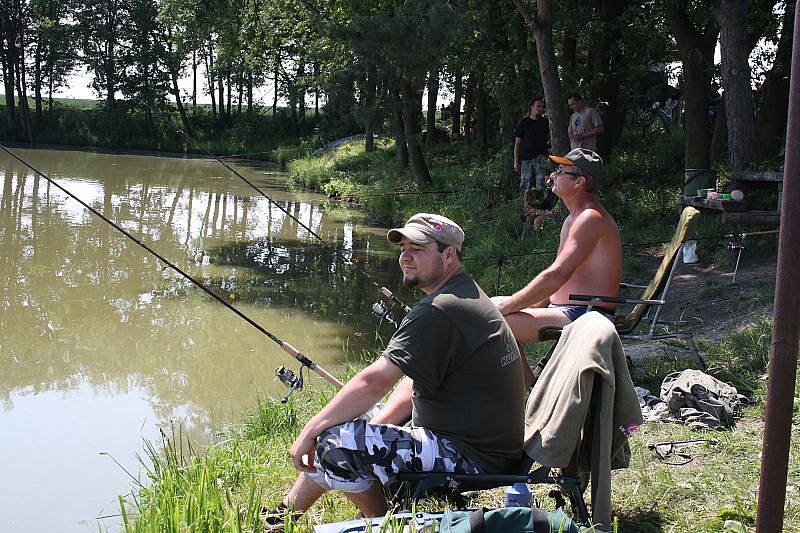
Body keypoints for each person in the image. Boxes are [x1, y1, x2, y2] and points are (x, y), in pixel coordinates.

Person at [265, 213, 525, 529]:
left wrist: (309, 430)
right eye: (403, 247)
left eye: (417, 248)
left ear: (450, 254)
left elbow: (375, 380)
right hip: (478, 442)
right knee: (346, 424)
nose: (405, 257)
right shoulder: (463, 292)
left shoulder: (441, 310)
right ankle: (279, 519)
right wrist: (364, 424)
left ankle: (385, 523)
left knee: (335, 444)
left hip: (473, 457)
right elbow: (409, 383)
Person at [492, 148, 621, 387]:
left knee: (491, 321)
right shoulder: (573, 219)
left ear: (579, 182)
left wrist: (509, 307)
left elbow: (555, 275)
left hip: (585, 315)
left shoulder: (590, 219)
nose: (552, 176)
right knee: (488, 307)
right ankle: (531, 389)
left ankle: (529, 392)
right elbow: (557, 277)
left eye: (560, 171)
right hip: (566, 309)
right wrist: (524, 307)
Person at [514, 98, 551, 215]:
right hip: (527, 159)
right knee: (526, 185)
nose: (540, 109)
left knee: (544, 185)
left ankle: (547, 209)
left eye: (542, 107)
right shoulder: (524, 123)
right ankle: (526, 210)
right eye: (538, 106)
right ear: (532, 107)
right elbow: (517, 144)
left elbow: (552, 139)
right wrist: (516, 161)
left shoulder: (545, 122)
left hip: (542, 158)